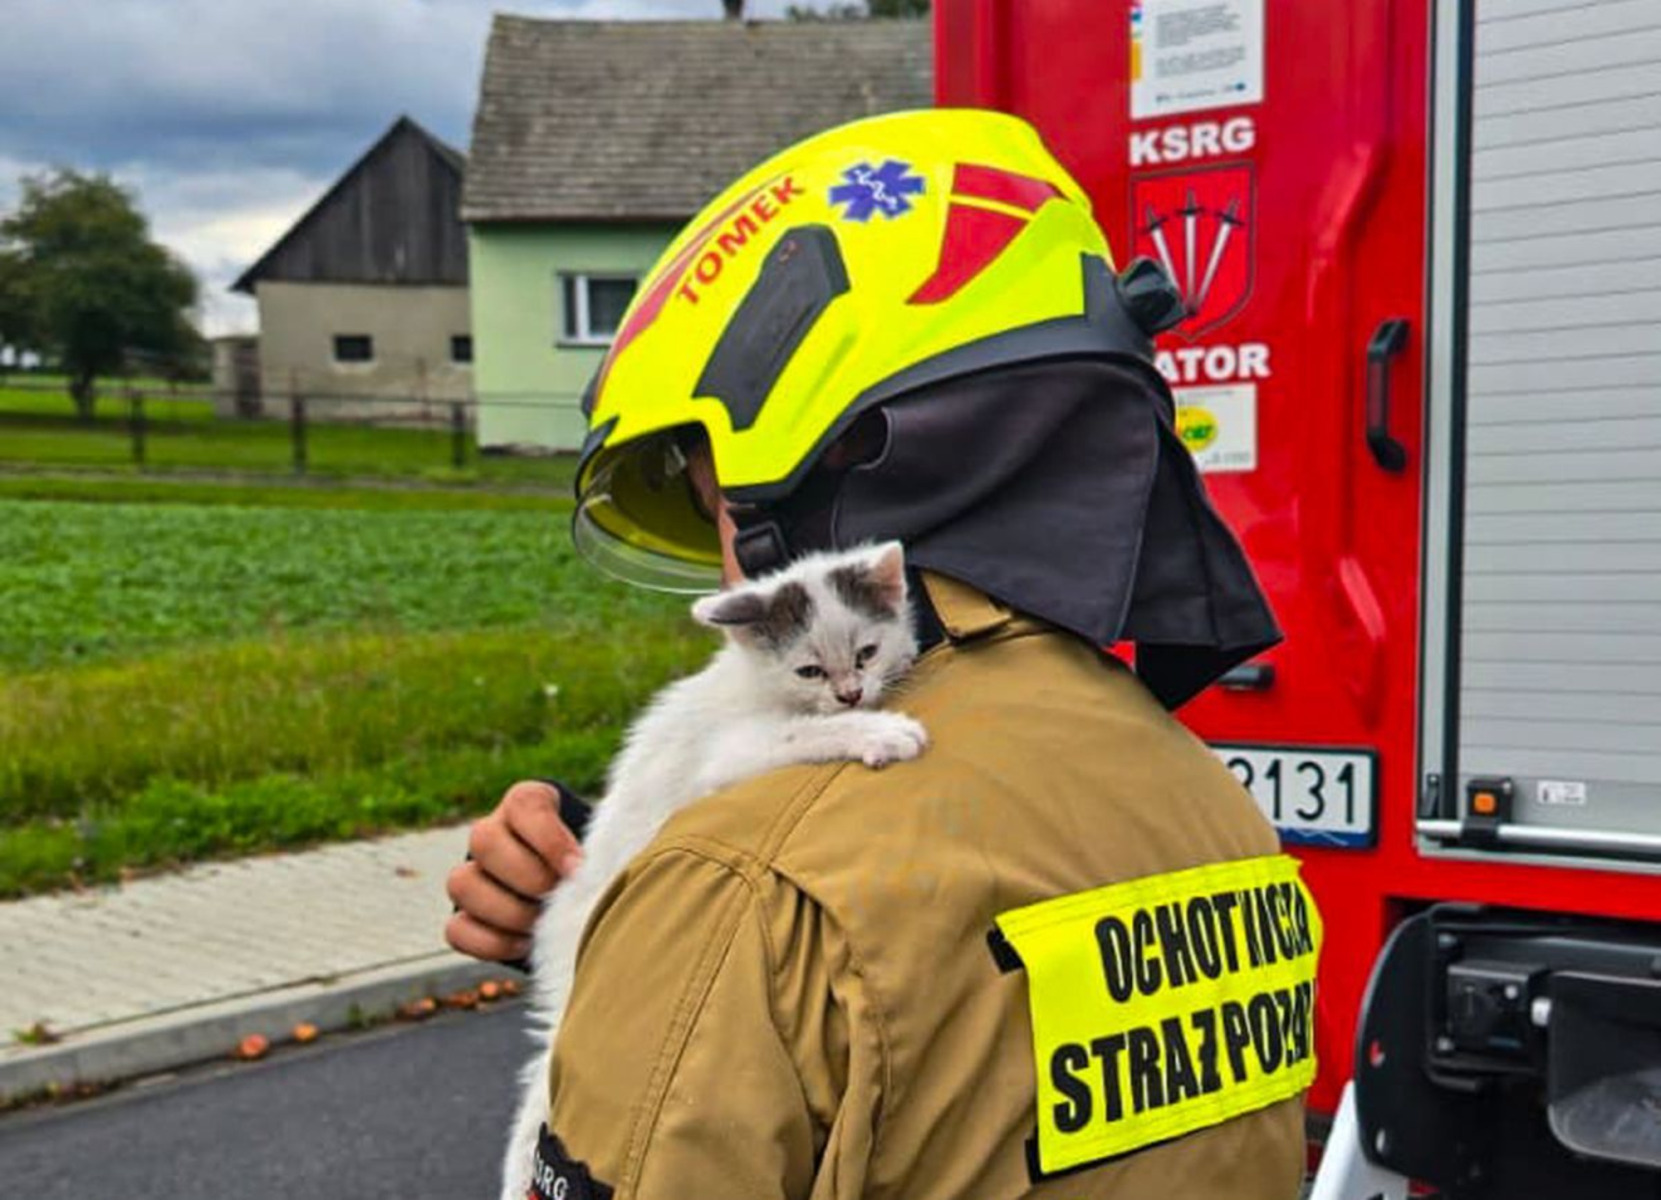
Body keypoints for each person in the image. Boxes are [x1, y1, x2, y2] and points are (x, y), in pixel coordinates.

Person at [448, 109, 1318, 1199]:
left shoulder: (750, 888)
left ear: (837, 456)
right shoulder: (1209, 801)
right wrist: (620, 886)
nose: (722, 551)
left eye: (714, 497)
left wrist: (671, 920)